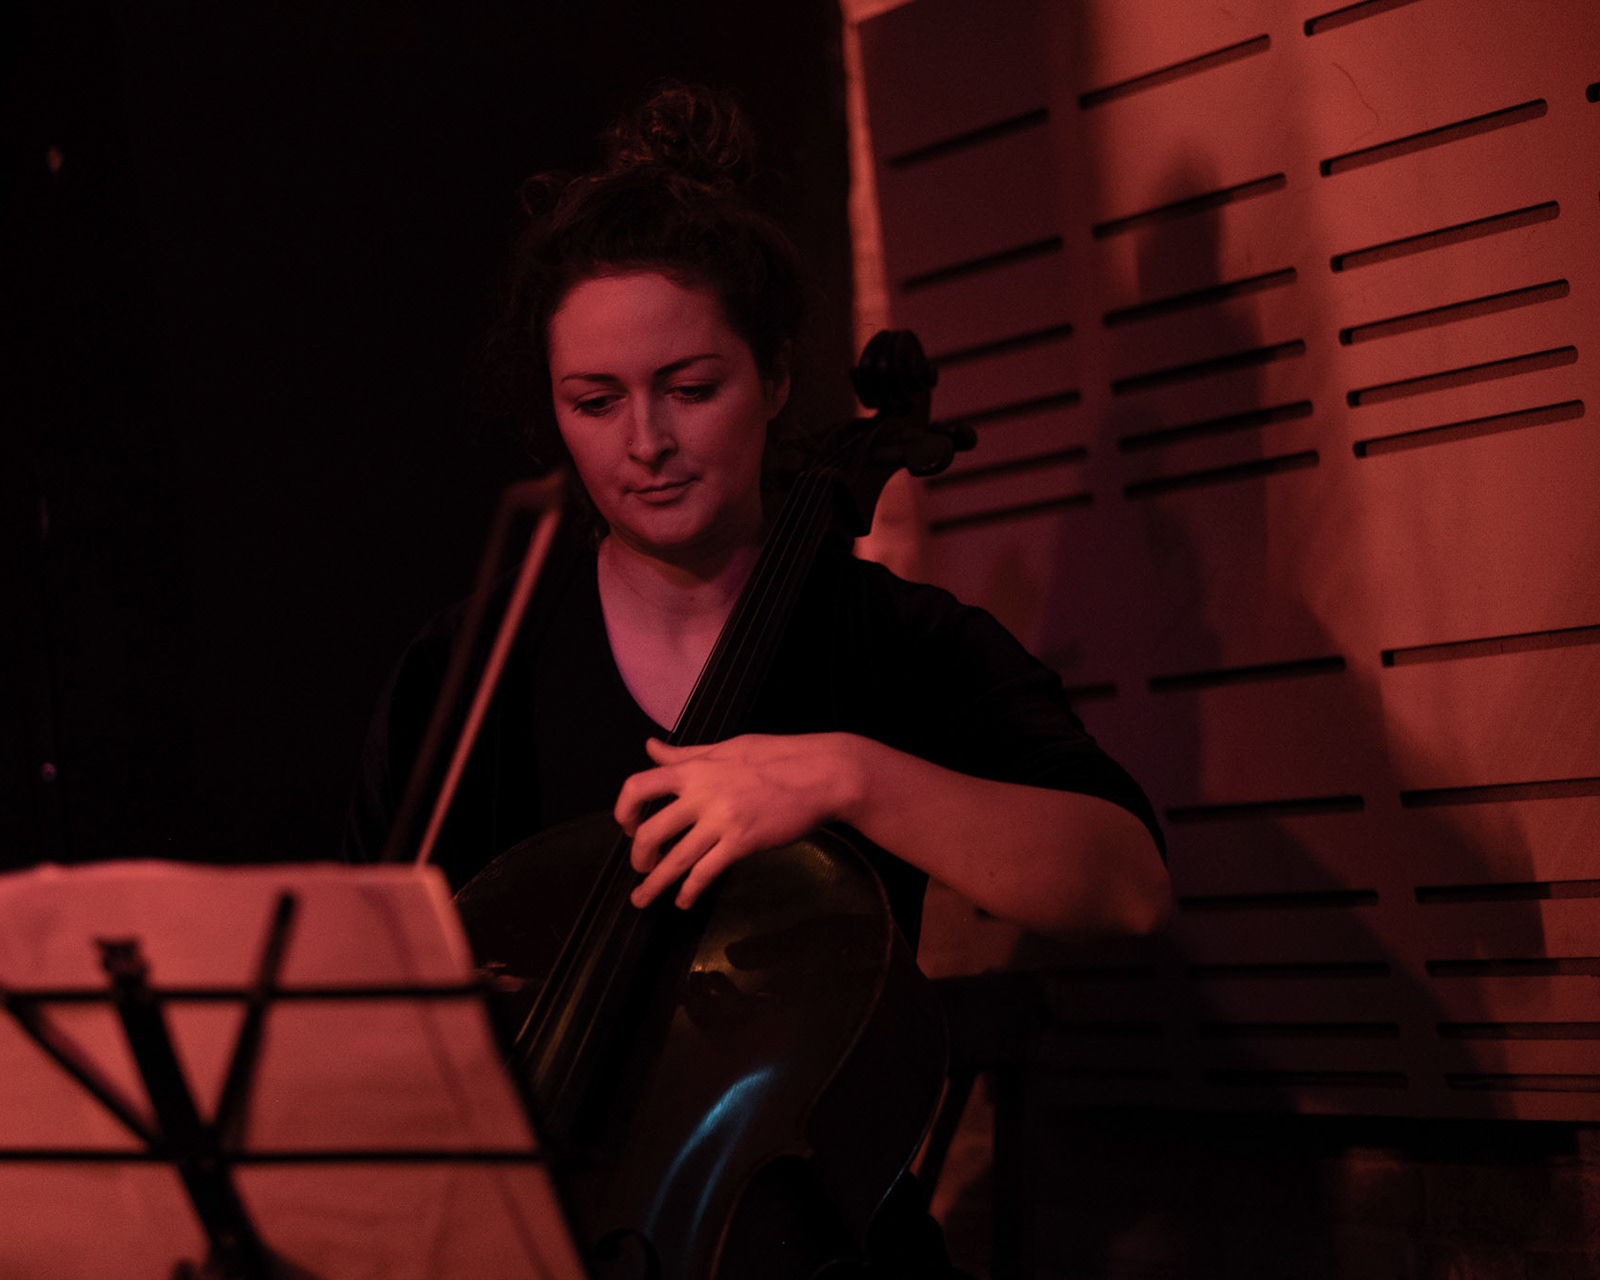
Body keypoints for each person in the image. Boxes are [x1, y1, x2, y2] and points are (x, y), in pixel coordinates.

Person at [343, 83, 1170, 1277]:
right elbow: (363, 1005)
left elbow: (1126, 882)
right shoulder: (469, 668)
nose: (645, 441)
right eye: (595, 400)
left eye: (690, 387)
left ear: (777, 379)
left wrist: (847, 773)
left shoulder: (891, 640)